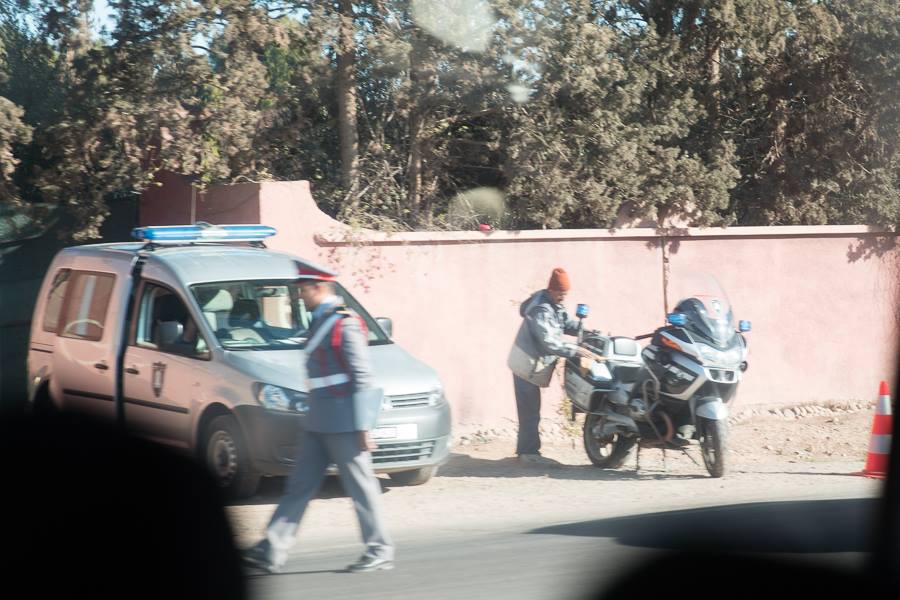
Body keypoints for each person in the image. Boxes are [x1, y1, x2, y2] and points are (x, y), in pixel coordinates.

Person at [241, 271, 394, 573]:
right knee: (299, 486)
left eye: (304, 290)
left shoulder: (344, 322)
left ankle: (380, 549)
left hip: (345, 422)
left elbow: (362, 377)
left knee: (361, 488)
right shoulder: (322, 320)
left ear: (320, 287)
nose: (300, 295)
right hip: (318, 419)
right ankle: (272, 549)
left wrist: (364, 426)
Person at [510, 268, 594, 464]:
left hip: (532, 364)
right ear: (551, 290)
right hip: (526, 365)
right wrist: (575, 350)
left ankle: (526, 451)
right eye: (560, 293)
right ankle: (529, 454)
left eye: (565, 294)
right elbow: (549, 342)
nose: (563, 297)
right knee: (530, 411)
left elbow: (566, 323)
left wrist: (586, 331)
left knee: (530, 409)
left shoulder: (554, 305)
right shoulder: (542, 310)